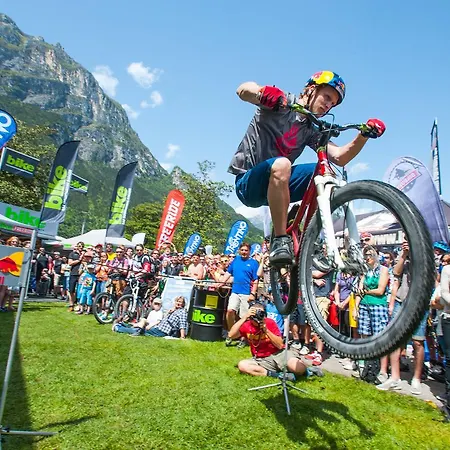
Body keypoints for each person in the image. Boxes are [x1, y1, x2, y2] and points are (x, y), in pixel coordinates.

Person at [229, 71, 385, 266]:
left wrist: (363, 136)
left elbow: (339, 157)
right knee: (282, 164)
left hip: (279, 184)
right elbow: (243, 90)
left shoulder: (311, 127)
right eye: (326, 97)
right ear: (311, 89)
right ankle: (279, 241)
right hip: (249, 184)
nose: (328, 105)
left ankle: (309, 238)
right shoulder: (281, 103)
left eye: (333, 103)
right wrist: (262, 93)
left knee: (324, 172)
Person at [229, 301, 323, 381]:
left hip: (279, 354)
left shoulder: (269, 322)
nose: (258, 317)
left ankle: (308, 370)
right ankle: (278, 375)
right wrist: (244, 317)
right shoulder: (247, 325)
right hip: (261, 359)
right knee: (242, 365)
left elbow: (280, 345)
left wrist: (266, 330)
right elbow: (231, 335)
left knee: (297, 368)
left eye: (261, 313)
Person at [220, 243, 259, 347]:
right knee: (230, 311)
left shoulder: (254, 263)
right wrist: (221, 283)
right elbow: (228, 273)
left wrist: (252, 293)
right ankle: (231, 333)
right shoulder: (236, 260)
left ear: (249, 251)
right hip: (235, 291)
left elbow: (256, 280)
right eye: (242, 250)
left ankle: (243, 338)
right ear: (239, 250)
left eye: (246, 250)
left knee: (244, 317)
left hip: (246, 293)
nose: (244, 252)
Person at [113, 296, 188, 338]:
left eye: (180, 302)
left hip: (163, 331)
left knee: (140, 331)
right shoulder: (173, 310)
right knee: (139, 328)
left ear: (183, 304)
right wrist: (170, 311)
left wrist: (182, 336)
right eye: (177, 301)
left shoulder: (182, 312)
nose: (178, 303)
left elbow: (182, 324)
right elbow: (164, 319)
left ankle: (118, 328)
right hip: (158, 328)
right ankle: (122, 325)